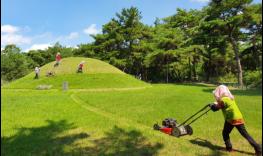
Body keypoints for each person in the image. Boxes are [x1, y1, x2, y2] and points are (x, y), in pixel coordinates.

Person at [209, 85, 261, 155]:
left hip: (231, 119)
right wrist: (215, 104)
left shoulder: (224, 99)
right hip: (238, 117)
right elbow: (220, 104)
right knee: (245, 134)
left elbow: (216, 108)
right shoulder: (229, 98)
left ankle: (229, 148)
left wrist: (211, 106)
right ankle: (258, 149)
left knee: (225, 133)